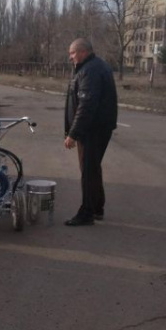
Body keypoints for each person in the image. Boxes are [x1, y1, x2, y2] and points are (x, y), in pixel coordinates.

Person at [63, 38, 118, 226]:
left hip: (92, 129)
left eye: (73, 53)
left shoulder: (91, 70)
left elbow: (86, 106)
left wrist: (73, 133)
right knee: (92, 168)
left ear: (83, 52)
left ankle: (86, 213)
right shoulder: (92, 67)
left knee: (88, 170)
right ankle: (97, 207)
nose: (70, 57)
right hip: (96, 127)